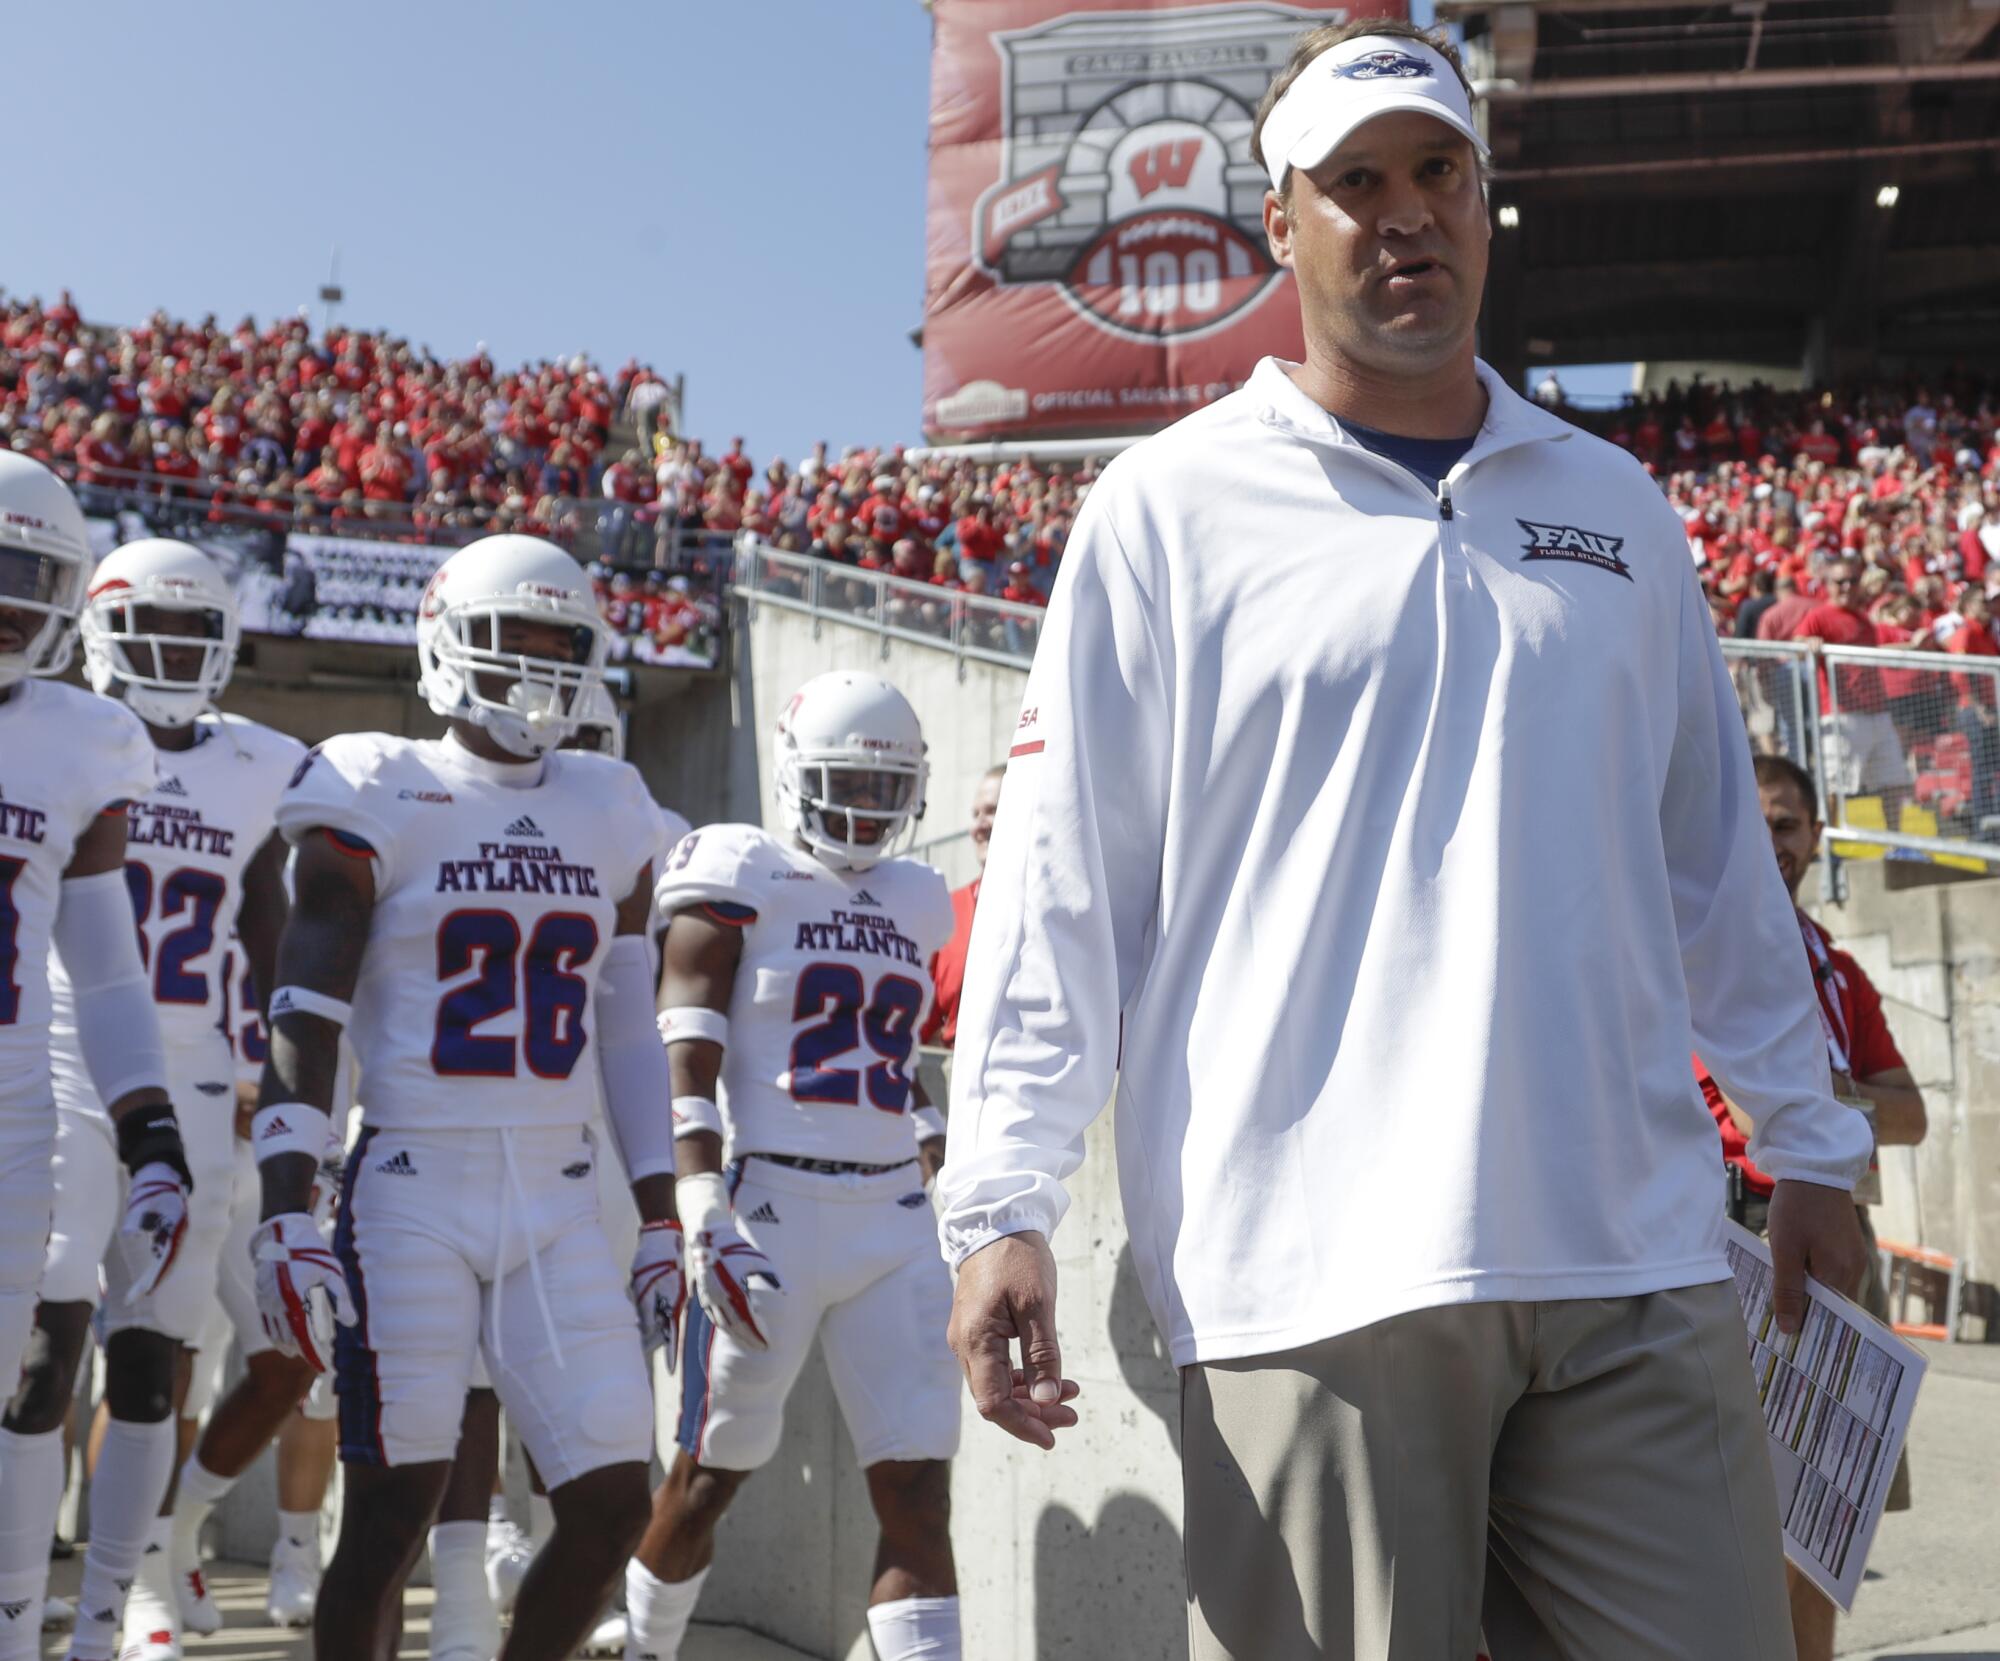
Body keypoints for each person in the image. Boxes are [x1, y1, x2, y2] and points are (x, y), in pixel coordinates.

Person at [934, 21, 1873, 1661]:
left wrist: (1813, 1139)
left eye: (1439, 172)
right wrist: (1001, 1194)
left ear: (1488, 202)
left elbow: (1714, 864)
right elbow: (1067, 885)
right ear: (1280, 226)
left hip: (1633, 1252)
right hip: (1315, 1271)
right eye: (1355, 181)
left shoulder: (1618, 507)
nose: (1405, 214)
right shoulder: (1170, 511)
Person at [248, 533, 678, 1661]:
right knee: (391, 1510)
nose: (536, 674)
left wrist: (664, 1209)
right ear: (444, 647)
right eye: (509, 645)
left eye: (559, 650)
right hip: (410, 1186)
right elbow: (307, 998)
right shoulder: (379, 782)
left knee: (611, 1500)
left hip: (557, 1191)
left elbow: (627, 1024)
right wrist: (286, 1199)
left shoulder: (610, 801)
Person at [627, 671, 960, 1661]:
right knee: (709, 1472)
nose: (862, 806)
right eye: (842, 781)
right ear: (793, 773)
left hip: (894, 1215)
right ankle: (646, 1647)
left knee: (914, 1485)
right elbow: (682, 1044)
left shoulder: (915, 895)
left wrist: (925, 1113)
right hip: (767, 1204)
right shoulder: (740, 867)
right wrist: (696, 1199)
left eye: (881, 786)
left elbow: (883, 1049)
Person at [0, 461, 192, 1661]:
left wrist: (153, 1128)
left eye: (36, 577)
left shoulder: (82, 737)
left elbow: (110, 972)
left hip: (14, 1118)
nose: (13, 601)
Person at [1697, 754, 1928, 1661]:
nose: (1771, 843)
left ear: (1815, 838)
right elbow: (1748, 1105)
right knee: (1731, 1517)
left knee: (1823, 1526)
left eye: (1787, 825)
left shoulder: (1836, 967)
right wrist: (1825, 1104)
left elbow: (1907, 1112)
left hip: (1838, 1235)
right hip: (1738, 1233)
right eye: (1753, 823)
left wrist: (1821, 1099)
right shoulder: (1698, 953)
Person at [1794, 560, 1909, 805]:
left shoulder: (1863, 618)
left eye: (1852, 581)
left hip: (1877, 711)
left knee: (1891, 781)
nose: (1847, 587)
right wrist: (1808, 643)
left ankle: (1893, 840)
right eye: (1840, 582)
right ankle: (1828, 840)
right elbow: (1796, 645)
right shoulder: (1819, 615)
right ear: (1828, 585)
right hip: (1841, 714)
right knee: (1836, 783)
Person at [922, 765, 1004, 1049]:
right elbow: (919, 1028)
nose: (979, 826)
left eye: (992, 811)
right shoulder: (948, 910)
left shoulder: (1065, 911)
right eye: (975, 814)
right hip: (959, 1081)